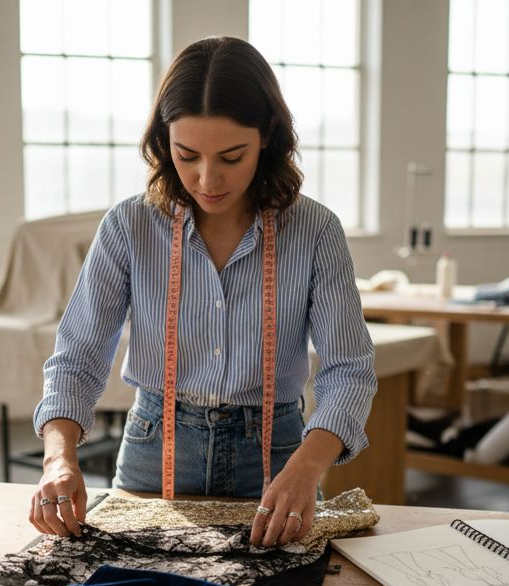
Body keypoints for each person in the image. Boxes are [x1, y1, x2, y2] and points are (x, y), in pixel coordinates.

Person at [31, 36, 375, 548]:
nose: (207, 179)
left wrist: (307, 468)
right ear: (162, 141)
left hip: (281, 453)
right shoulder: (129, 226)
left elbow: (349, 368)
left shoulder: (315, 230)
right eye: (186, 155)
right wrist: (58, 457)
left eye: (232, 156)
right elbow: (78, 355)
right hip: (155, 446)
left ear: (269, 138)